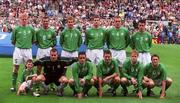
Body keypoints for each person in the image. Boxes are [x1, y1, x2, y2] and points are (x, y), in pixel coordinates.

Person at [11, 13, 36, 91]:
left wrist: (26, 45)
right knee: (16, 68)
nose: (24, 20)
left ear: (27, 19)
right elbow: (13, 41)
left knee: (29, 68)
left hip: (28, 50)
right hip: (18, 50)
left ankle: (27, 86)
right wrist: (20, 45)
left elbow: (33, 41)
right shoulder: (16, 29)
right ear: (20, 19)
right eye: (22, 19)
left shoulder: (31, 29)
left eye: (25, 19)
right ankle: (13, 86)